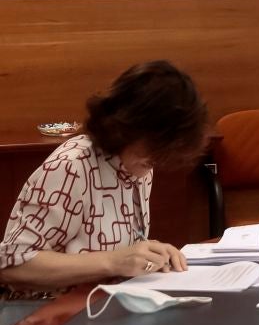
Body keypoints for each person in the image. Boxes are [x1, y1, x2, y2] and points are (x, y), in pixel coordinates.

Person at [0, 60, 209, 297]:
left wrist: (149, 254)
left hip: (101, 303)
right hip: (46, 311)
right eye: (154, 147)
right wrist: (113, 261)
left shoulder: (137, 166)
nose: (157, 161)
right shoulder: (72, 168)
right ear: (127, 127)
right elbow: (11, 265)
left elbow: (111, 249)